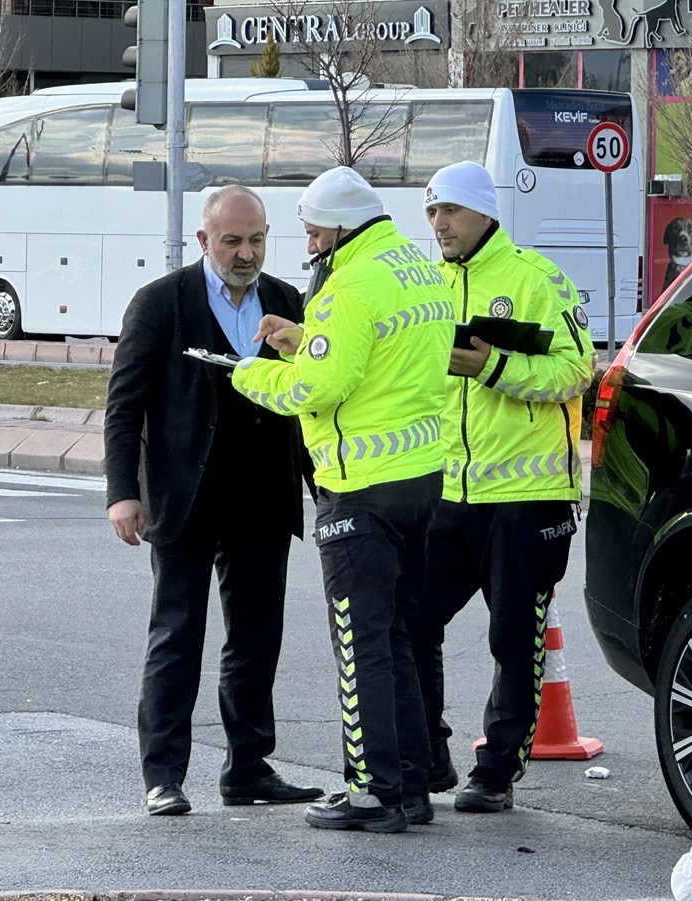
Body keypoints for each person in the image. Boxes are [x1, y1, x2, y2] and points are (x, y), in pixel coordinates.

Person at [230, 166, 455, 833]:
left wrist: (253, 374)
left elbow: (318, 390)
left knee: (361, 645)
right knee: (401, 637)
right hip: (421, 480)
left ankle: (370, 789)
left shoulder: (347, 286)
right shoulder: (414, 270)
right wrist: (304, 342)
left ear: (338, 227)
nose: (308, 241)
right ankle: (411, 785)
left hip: (359, 487)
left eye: (311, 229)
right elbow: (382, 358)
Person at [104, 185, 323, 816]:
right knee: (178, 635)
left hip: (260, 496)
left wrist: (322, 488)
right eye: (232, 241)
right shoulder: (160, 303)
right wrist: (123, 493)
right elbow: (125, 406)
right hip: (184, 496)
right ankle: (164, 776)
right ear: (204, 242)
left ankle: (249, 769)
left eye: (256, 239)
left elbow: (307, 400)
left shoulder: (286, 301)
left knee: (256, 639)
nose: (246, 253)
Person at [412, 161, 596, 813]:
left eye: (451, 212)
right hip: (445, 492)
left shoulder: (535, 278)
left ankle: (496, 769)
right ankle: (427, 751)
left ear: (485, 213)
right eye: (432, 212)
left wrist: (491, 364)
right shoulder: (426, 286)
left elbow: (578, 369)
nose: (439, 224)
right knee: (411, 619)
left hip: (526, 497)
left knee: (515, 638)